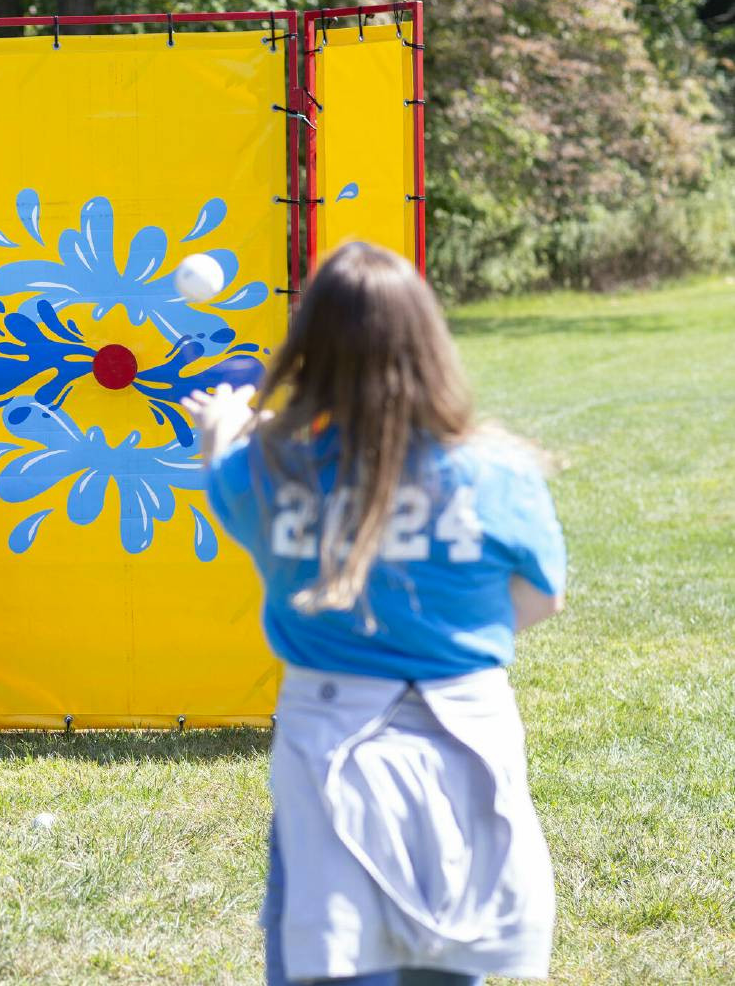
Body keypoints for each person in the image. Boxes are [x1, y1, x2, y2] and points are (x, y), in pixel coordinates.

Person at [183, 242, 566, 986]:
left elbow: (239, 500)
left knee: (330, 955)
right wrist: (450, 637)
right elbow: (541, 598)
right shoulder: (499, 472)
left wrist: (222, 433)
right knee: (451, 951)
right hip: (470, 727)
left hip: (327, 735)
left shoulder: (267, 470)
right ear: (430, 343)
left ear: (310, 349)